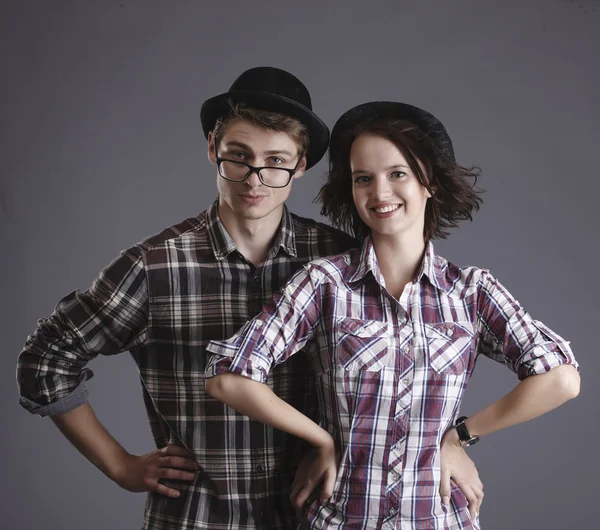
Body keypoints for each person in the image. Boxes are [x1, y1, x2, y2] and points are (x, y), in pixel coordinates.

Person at [204, 101, 581, 529]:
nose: (380, 193)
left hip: (439, 519)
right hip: (341, 518)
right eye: (364, 179)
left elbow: (561, 379)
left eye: (397, 174)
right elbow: (228, 376)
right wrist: (321, 439)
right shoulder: (325, 283)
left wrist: (460, 436)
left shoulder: (472, 292)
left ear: (429, 183)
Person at [16, 67, 363, 530]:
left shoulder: (341, 260)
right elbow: (45, 361)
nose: (254, 178)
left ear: (300, 164)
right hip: (197, 518)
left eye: (276, 161)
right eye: (238, 156)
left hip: (320, 517)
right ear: (212, 148)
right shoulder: (154, 266)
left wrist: (452, 442)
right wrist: (120, 466)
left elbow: (406, 375)